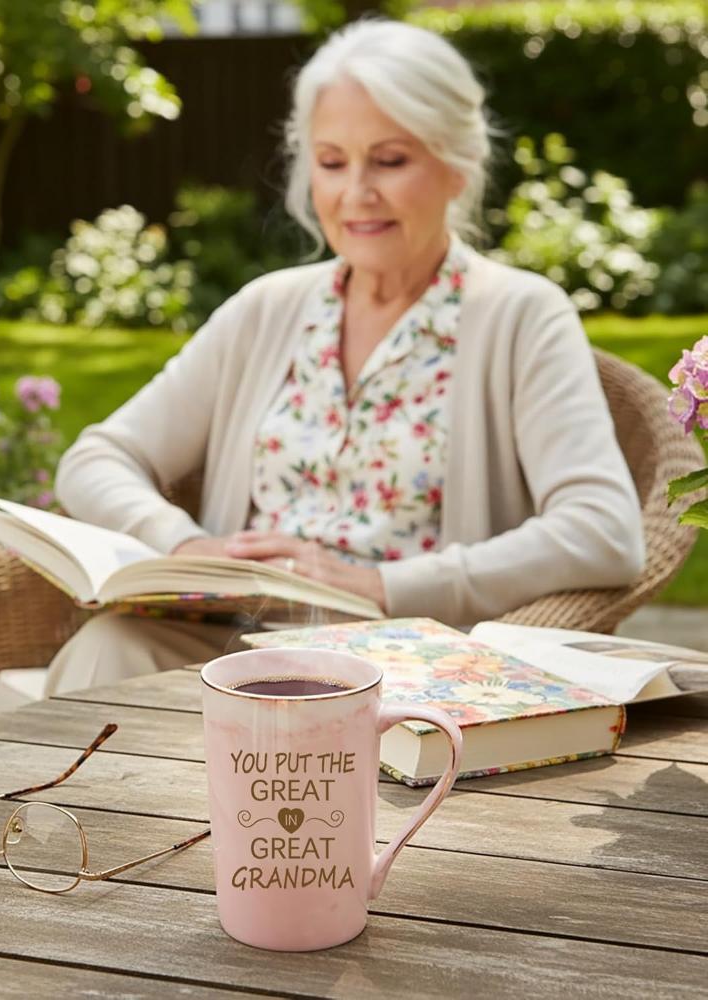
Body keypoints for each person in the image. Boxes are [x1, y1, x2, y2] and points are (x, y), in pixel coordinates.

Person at [43, 18, 644, 695]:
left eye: (389, 160)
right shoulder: (266, 310)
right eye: (332, 163)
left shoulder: (521, 316)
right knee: (110, 648)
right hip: (239, 646)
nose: (355, 193)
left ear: (457, 165)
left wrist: (382, 584)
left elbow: (603, 531)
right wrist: (183, 544)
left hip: (412, 664)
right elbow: (97, 458)